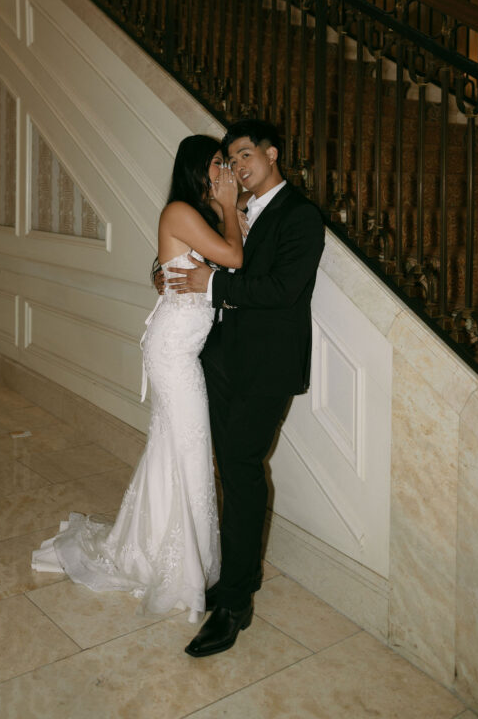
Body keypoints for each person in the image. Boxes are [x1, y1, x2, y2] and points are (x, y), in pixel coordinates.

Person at [32, 135, 243, 621]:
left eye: (225, 164)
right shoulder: (181, 211)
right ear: (195, 167)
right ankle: (176, 562)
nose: (222, 172)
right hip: (172, 351)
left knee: (176, 446)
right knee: (188, 445)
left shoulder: (198, 215)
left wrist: (227, 210)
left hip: (183, 348)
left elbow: (219, 263)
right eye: (215, 163)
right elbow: (234, 260)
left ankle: (163, 547)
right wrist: (230, 207)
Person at [167, 119, 325, 657]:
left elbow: (283, 290)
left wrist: (212, 283)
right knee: (227, 468)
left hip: (267, 367)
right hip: (220, 359)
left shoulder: (301, 216)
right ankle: (236, 580)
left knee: (240, 468)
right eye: (229, 161)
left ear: (271, 154)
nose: (236, 168)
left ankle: (235, 601)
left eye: (243, 156)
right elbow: (192, 255)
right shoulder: (232, 210)